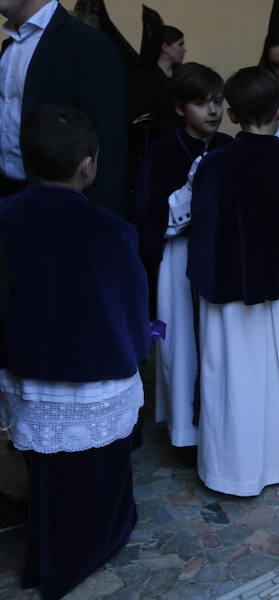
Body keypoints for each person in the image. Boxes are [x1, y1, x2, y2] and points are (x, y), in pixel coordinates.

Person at [0, 105, 149, 599]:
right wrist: (136, 356)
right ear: (89, 165)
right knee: (98, 478)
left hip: (29, 370)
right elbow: (128, 305)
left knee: (49, 475)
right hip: (95, 373)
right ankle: (87, 548)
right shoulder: (111, 230)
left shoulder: (5, 219)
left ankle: (46, 557)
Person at [184, 66, 279, 496]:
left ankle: (232, 471)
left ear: (233, 115)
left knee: (232, 378)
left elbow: (202, 230)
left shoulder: (213, 166)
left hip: (229, 286)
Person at [133, 63, 231, 459]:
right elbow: (147, 211)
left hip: (221, 257)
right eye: (201, 103)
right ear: (179, 108)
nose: (212, 110)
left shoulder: (227, 146)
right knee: (182, 348)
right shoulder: (163, 150)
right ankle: (185, 435)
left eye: (218, 101)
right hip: (179, 256)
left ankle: (219, 424)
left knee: (218, 344)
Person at [0, 0, 127, 214]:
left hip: (59, 210)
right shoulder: (9, 47)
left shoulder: (89, 44)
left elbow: (110, 145)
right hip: (9, 201)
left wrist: (99, 223)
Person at [129, 17, 186, 142]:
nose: (184, 50)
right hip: (157, 141)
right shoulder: (145, 77)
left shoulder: (182, 75)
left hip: (182, 139)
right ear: (165, 47)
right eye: (180, 45)